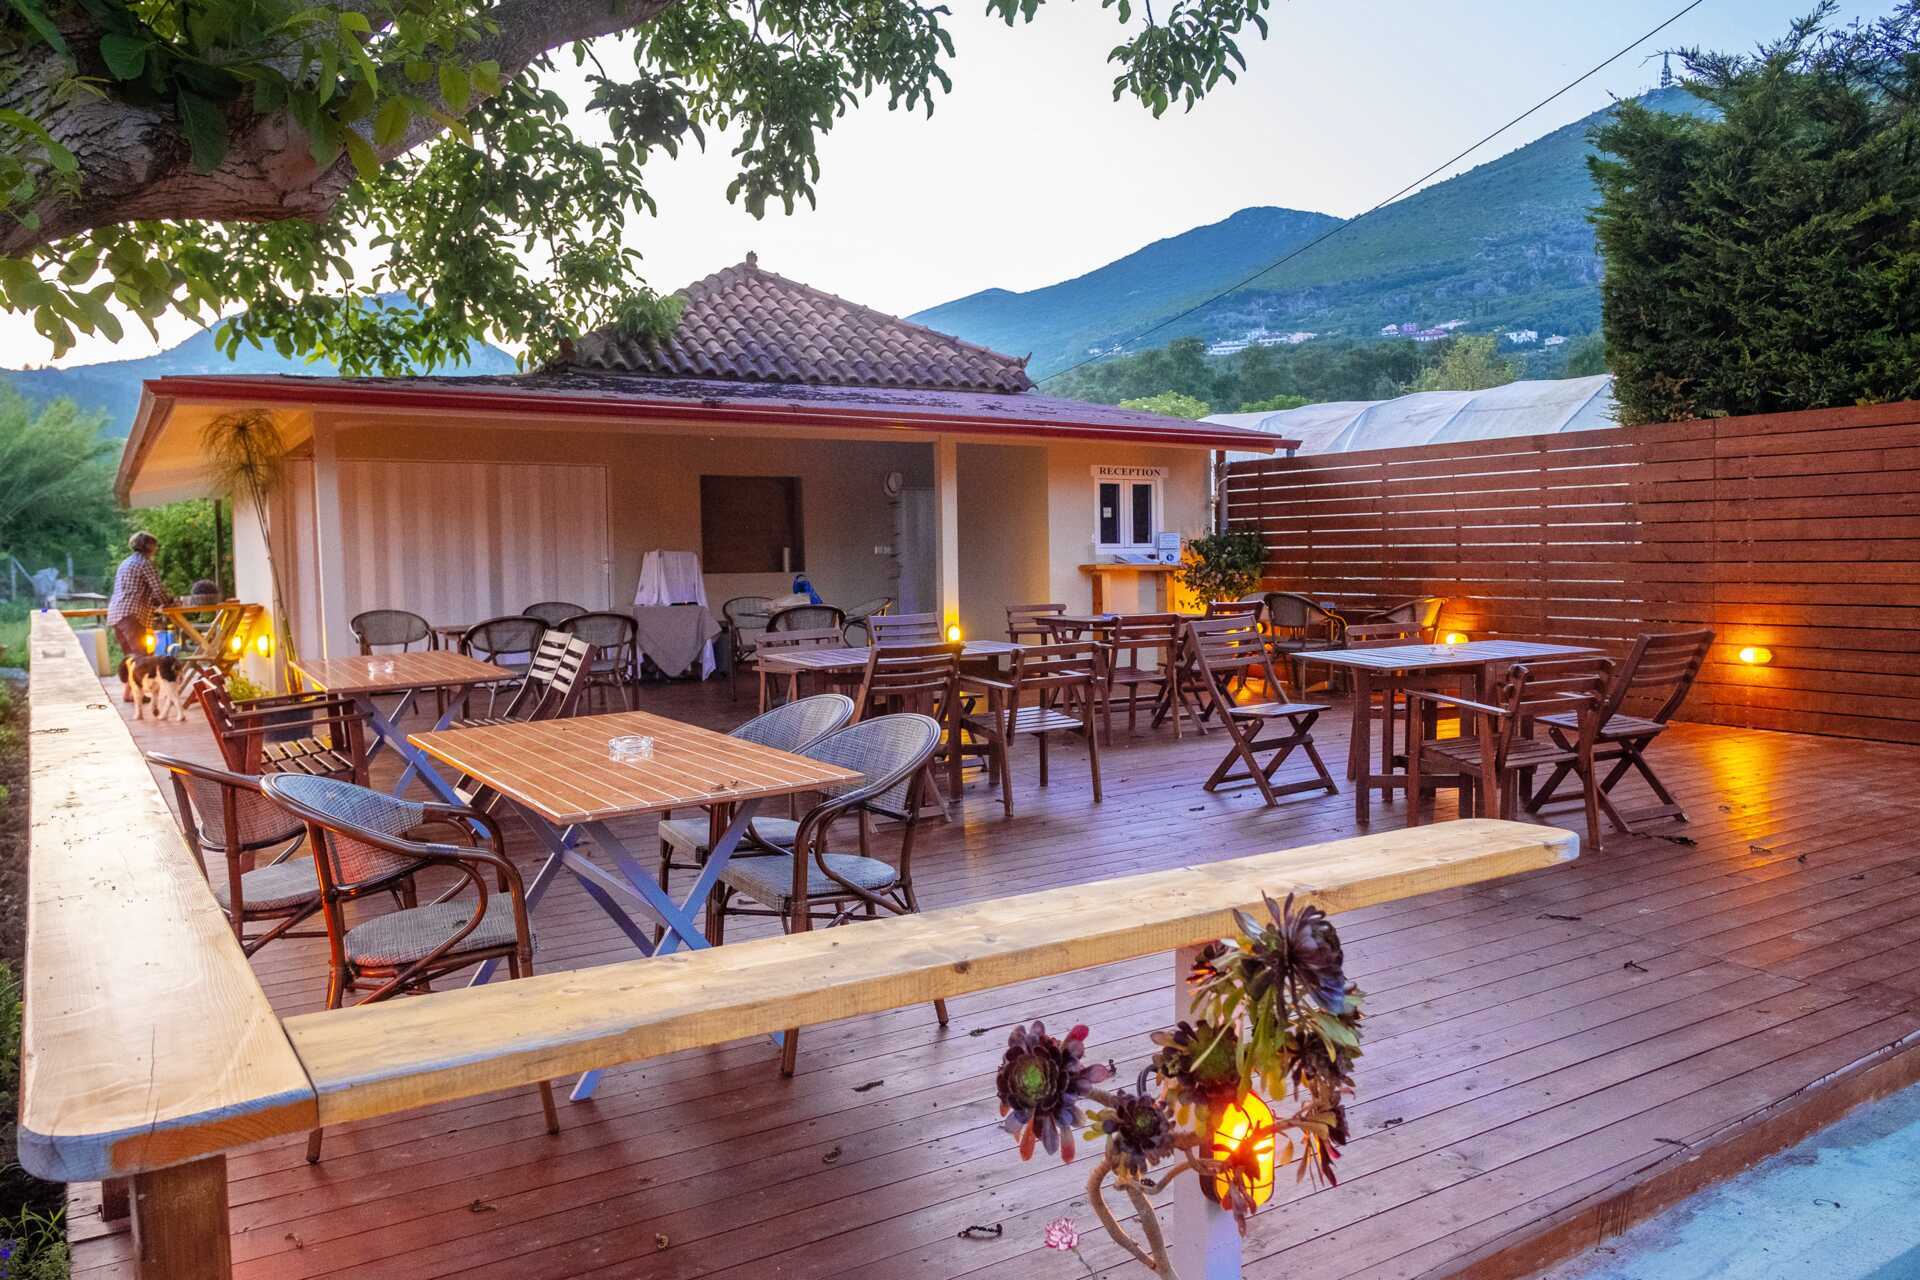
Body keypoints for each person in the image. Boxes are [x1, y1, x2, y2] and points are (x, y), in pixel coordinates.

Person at [107, 531, 175, 699]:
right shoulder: (144, 563)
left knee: (131, 657)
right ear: (148, 546)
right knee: (141, 657)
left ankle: (128, 694)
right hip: (132, 614)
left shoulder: (126, 562)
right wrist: (169, 602)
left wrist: (156, 602)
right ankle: (138, 694)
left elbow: (137, 590)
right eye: (155, 545)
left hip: (116, 613)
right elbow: (157, 589)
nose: (156, 549)